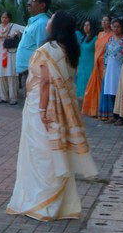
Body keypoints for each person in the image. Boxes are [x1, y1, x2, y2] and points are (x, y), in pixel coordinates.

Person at [6, 11, 97, 221]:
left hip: (44, 104)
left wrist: (41, 109)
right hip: (64, 106)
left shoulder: (48, 49)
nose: (47, 22)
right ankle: (56, 203)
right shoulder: (70, 49)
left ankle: (40, 202)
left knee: (41, 152)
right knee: (56, 149)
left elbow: (46, 81)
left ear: (56, 26)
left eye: (51, 19)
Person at [16, 0, 51, 95]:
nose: (28, 3)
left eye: (33, 1)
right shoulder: (33, 22)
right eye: (29, 1)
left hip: (33, 73)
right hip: (28, 71)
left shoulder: (42, 23)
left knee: (33, 105)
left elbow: (42, 50)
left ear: (42, 5)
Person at [101, 18, 123, 122]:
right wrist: (105, 66)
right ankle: (114, 115)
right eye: (114, 26)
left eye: (118, 26)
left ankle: (121, 117)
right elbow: (106, 53)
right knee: (111, 91)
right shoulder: (111, 39)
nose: (116, 29)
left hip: (120, 68)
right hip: (110, 68)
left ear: (122, 28)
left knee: (119, 90)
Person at [82, 15, 112, 117]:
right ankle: (94, 110)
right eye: (103, 20)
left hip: (105, 63)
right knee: (95, 86)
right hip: (96, 63)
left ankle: (104, 111)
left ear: (110, 23)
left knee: (104, 86)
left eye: (106, 20)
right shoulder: (99, 34)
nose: (104, 22)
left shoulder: (112, 35)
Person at [0, 11, 24, 105]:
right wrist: (1, 35)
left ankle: (13, 98)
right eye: (2, 17)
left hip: (11, 53)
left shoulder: (14, 26)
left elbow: (25, 29)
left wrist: (17, 33)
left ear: (9, 19)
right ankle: (3, 97)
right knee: (1, 75)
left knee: (11, 74)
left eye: (6, 18)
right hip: (1, 53)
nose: (4, 19)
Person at [75, 19, 97, 102]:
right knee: (80, 85)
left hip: (90, 64)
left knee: (89, 84)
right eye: (85, 25)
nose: (86, 27)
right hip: (81, 64)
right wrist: (77, 66)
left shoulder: (95, 38)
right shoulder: (82, 38)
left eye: (88, 25)